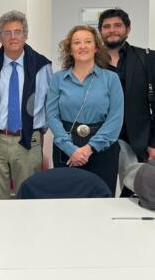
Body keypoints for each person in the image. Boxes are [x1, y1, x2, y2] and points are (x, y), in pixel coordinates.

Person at [0, 10, 52, 200]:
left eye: (18, 31)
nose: (13, 37)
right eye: (7, 33)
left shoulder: (42, 66)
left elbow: (50, 107)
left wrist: (36, 132)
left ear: (26, 35)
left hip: (29, 142)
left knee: (28, 198)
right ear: (0, 37)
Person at [46, 25, 124, 195]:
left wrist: (89, 148)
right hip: (66, 148)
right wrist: (70, 149)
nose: (83, 46)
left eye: (88, 42)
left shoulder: (111, 78)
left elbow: (115, 119)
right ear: (70, 50)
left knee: (101, 200)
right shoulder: (58, 78)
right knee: (67, 200)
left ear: (96, 47)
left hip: (102, 149)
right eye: (77, 43)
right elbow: (51, 115)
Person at [98, 9, 155, 195]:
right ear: (100, 31)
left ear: (128, 29)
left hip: (138, 141)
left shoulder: (148, 58)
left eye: (117, 25)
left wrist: (154, 143)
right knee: (100, 194)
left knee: (136, 196)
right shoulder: (91, 62)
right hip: (99, 140)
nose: (112, 30)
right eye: (106, 26)